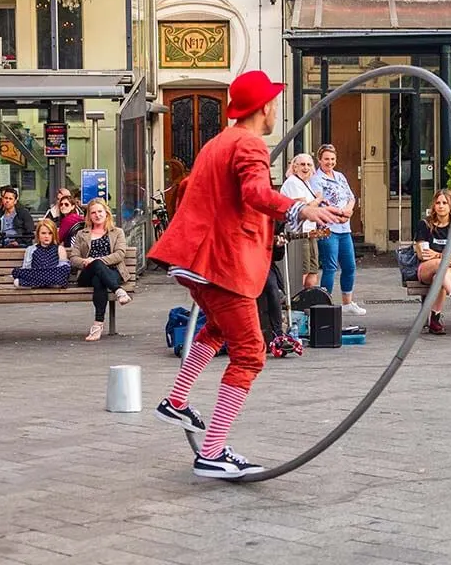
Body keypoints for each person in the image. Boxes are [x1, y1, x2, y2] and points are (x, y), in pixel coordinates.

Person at [149, 69, 344, 479]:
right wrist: (301, 208)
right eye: (274, 102)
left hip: (200, 262)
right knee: (251, 353)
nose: (276, 109)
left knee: (218, 330)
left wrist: (292, 220)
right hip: (222, 265)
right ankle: (213, 450)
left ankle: (176, 400)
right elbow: (255, 194)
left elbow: (232, 201)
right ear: (266, 106)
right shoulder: (250, 145)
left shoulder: (218, 143)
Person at [310, 143, 365, 316]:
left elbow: (350, 197)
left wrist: (349, 210)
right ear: (319, 160)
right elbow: (320, 202)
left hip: (344, 228)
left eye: (332, 159)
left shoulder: (340, 176)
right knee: (330, 267)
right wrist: (340, 212)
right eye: (326, 159)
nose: (330, 162)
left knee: (349, 266)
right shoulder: (316, 179)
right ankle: (325, 305)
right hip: (328, 228)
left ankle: (347, 303)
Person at [69, 198, 132, 342]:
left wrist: (97, 261)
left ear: (106, 213)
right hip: (87, 273)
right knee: (96, 270)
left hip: (112, 272)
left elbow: (120, 254)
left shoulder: (117, 232)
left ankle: (97, 325)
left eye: (100, 211)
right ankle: (118, 291)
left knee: (100, 280)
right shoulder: (82, 234)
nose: (97, 215)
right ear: (89, 216)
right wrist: (86, 262)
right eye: (93, 213)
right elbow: (73, 257)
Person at [414, 189, 451, 335]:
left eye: (445, 203)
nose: (441, 206)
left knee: (440, 277)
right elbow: (422, 254)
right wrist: (442, 258)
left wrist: (437, 255)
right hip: (426, 268)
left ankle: (435, 320)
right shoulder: (424, 224)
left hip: (449, 271)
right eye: (438, 203)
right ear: (433, 205)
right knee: (440, 267)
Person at [279, 153, 324, 290]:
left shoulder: (305, 183)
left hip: (310, 231)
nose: (306, 168)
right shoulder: (292, 182)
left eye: (309, 165)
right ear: (295, 167)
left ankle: (308, 302)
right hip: (298, 233)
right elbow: (301, 208)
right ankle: (298, 303)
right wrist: (318, 200)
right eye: (302, 164)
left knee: (313, 269)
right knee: (302, 270)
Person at [12, 218, 71, 288]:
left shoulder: (59, 249)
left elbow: (63, 270)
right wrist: (39, 273)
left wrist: (48, 273)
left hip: (54, 278)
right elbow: (27, 269)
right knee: (17, 278)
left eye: (50, 233)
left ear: (54, 234)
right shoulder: (31, 249)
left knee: (64, 271)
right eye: (43, 233)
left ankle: (39, 283)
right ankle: (42, 282)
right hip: (35, 276)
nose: (47, 236)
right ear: (38, 234)